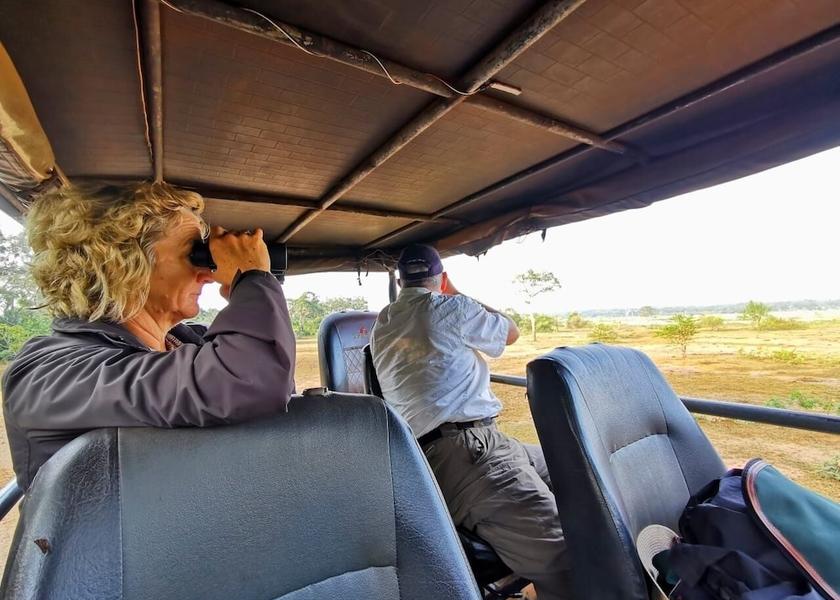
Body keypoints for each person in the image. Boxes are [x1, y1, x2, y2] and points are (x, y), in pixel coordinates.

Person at [2, 182, 296, 490]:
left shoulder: (187, 343)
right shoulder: (46, 375)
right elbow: (254, 380)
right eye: (194, 255)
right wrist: (250, 277)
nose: (209, 274)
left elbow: (273, 383)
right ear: (121, 263)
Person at [370, 244, 570, 600]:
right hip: (471, 456)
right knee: (568, 558)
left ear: (400, 282)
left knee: (571, 467)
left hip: (447, 450)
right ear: (442, 279)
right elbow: (510, 331)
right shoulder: (451, 306)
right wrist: (455, 292)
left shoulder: (382, 323)